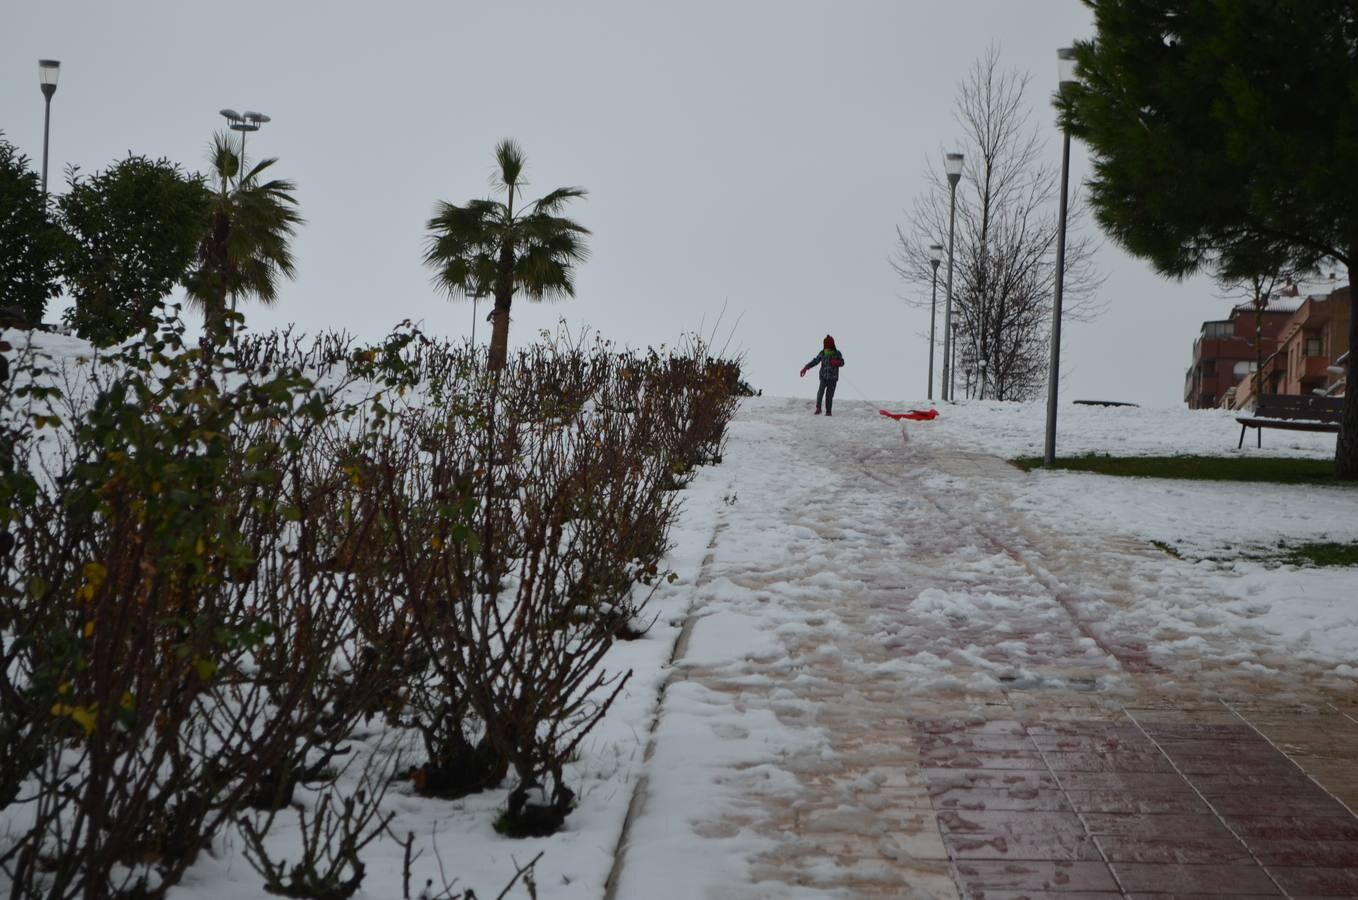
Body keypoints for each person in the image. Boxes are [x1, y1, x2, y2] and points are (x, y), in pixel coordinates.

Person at [800, 335, 845, 415]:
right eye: (826, 346)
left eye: (828, 346)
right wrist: (806, 368)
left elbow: (842, 362)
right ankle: (818, 408)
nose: (827, 348)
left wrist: (837, 362)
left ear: (832, 345)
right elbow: (815, 361)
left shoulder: (837, 353)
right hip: (823, 377)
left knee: (829, 395)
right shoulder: (822, 353)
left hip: (833, 378)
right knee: (820, 392)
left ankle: (828, 411)